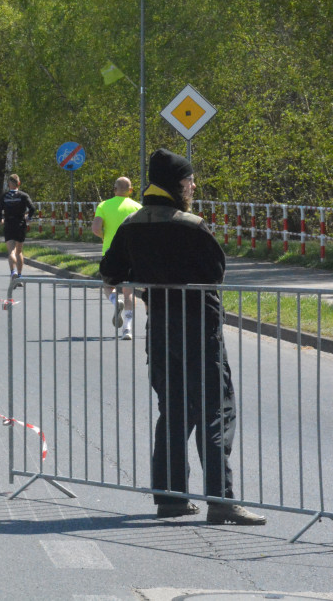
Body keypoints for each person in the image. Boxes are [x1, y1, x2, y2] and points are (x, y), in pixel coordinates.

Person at [100, 148, 266, 526]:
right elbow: (216, 272)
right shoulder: (190, 225)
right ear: (177, 184)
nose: (193, 186)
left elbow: (110, 270)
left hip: (159, 327)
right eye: (189, 180)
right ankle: (221, 500)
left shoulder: (132, 225)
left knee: (174, 409)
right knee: (216, 410)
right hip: (199, 328)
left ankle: (171, 497)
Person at [92, 177, 142, 340]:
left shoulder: (104, 205)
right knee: (129, 292)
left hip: (110, 254)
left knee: (108, 285)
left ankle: (115, 301)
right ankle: (127, 329)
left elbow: (96, 228)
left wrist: (104, 235)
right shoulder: (137, 207)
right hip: (132, 255)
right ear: (130, 190)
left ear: (114, 189)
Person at [0, 173, 35, 284]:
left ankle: (13, 273)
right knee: (19, 251)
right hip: (20, 223)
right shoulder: (23, 195)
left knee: (11, 251)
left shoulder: (4, 196)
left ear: (9, 184)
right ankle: (20, 275)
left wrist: (1, 219)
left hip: (8, 223)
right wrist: (29, 217)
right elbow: (32, 208)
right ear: (19, 183)